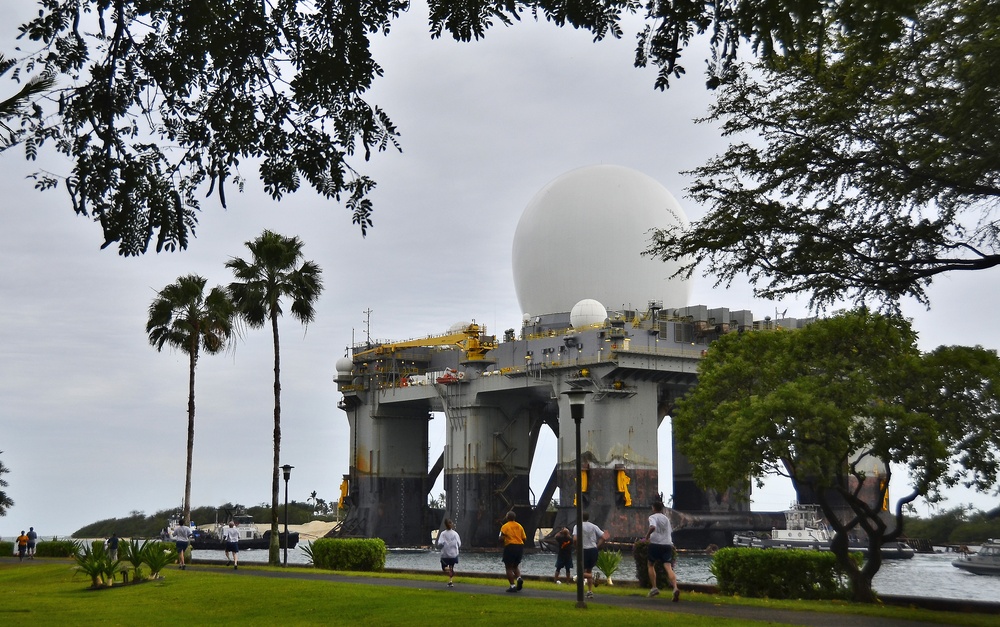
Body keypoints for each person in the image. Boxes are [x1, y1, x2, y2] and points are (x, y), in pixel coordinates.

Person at [645, 501, 680, 602]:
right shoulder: (666, 519)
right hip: (667, 544)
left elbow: (653, 527)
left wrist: (647, 536)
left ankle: (654, 587)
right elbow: (670, 531)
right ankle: (675, 588)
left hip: (655, 544)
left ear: (653, 508)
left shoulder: (652, 517)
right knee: (668, 567)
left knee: (651, 564)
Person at [572, 512, 610, 599]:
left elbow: (574, 539)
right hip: (593, 550)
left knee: (580, 572)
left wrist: (576, 547)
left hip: (583, 550)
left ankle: (592, 577)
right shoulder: (593, 526)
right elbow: (604, 537)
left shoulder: (577, 526)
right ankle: (590, 591)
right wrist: (597, 546)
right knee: (588, 570)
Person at [498, 510, 526, 592]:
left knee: (508, 567)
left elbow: (501, 538)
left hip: (510, 546)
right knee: (515, 566)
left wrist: (502, 540)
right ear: (514, 517)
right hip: (520, 546)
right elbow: (524, 538)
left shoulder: (505, 526)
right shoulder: (519, 526)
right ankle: (519, 578)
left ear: (507, 517)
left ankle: (512, 586)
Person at [436, 518, 461, 587]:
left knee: (444, 568)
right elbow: (459, 543)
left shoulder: (443, 534)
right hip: (453, 555)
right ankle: (450, 581)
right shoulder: (455, 534)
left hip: (445, 555)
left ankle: (449, 570)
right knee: (451, 567)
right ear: (451, 524)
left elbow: (440, 543)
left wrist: (445, 544)